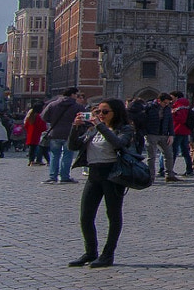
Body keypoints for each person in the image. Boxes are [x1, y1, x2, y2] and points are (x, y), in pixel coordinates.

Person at [68, 99, 137, 268]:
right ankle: (90, 252)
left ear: (116, 113)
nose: (100, 115)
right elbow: (73, 146)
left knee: (113, 215)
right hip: (94, 174)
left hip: (113, 174)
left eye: (105, 112)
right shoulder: (93, 130)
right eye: (98, 112)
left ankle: (108, 254)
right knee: (86, 215)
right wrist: (75, 127)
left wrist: (100, 125)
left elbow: (118, 143)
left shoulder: (125, 129)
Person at [41, 91, 82, 184]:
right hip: (70, 133)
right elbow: (83, 118)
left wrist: (52, 121)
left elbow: (43, 116)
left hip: (55, 132)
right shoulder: (77, 106)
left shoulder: (52, 105)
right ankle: (64, 176)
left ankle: (52, 176)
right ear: (72, 95)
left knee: (54, 155)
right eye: (76, 95)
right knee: (67, 155)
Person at [168, 91, 194, 176]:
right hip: (185, 130)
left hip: (178, 130)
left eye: (172, 97)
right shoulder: (185, 105)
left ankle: (169, 169)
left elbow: (181, 119)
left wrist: (173, 115)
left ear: (176, 97)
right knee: (185, 151)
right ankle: (189, 170)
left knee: (174, 151)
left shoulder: (179, 106)